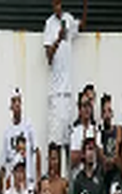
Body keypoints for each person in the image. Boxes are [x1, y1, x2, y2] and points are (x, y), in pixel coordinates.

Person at [44, 0, 88, 153]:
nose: (57, 6)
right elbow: (48, 57)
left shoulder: (68, 19)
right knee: (55, 142)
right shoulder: (49, 24)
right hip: (56, 93)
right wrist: (58, 38)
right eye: (54, 4)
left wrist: (85, 6)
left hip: (68, 93)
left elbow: (81, 26)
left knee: (69, 140)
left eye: (59, 3)